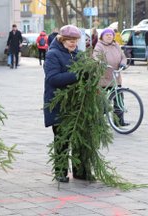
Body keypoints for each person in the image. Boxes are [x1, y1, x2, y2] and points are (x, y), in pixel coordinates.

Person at [43, 24, 91, 183]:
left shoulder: (79, 54)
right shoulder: (53, 55)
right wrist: (77, 74)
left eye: (75, 40)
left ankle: (80, 171)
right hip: (59, 104)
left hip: (77, 105)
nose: (73, 43)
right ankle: (60, 171)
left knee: (79, 138)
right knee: (62, 139)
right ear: (62, 39)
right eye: (69, 40)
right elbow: (53, 78)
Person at [93, 28, 128, 126]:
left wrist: (123, 64)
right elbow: (96, 56)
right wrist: (101, 63)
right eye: (107, 35)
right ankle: (99, 122)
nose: (109, 36)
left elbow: (123, 57)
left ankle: (119, 121)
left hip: (116, 77)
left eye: (110, 35)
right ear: (102, 37)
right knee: (103, 102)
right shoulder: (99, 45)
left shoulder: (116, 45)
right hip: (103, 78)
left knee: (119, 100)